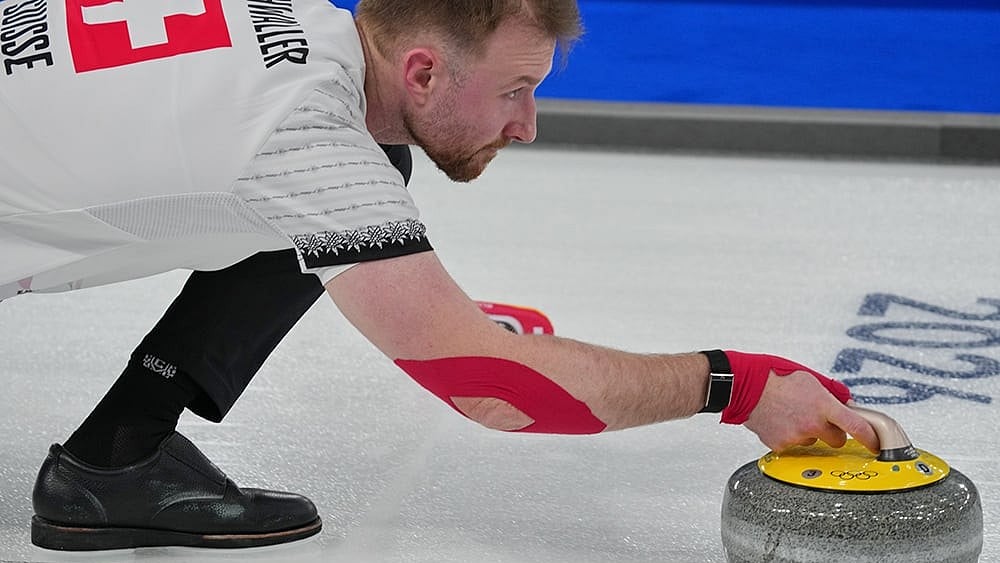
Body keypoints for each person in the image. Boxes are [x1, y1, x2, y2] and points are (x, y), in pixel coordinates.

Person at [0, 0, 880, 553]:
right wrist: (740, 383)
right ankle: (115, 460)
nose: (528, 124)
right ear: (422, 68)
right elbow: (492, 390)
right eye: (515, 89)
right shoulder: (312, 145)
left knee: (382, 177)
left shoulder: (293, 25)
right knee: (370, 188)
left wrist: (428, 301)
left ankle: (120, 451)